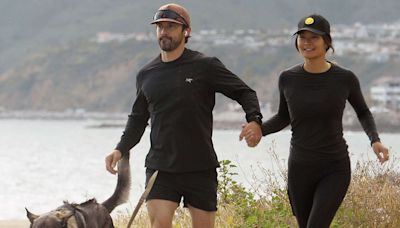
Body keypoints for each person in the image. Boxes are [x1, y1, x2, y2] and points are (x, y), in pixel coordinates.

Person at [105, 3, 262, 228]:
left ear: (185, 31)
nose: (164, 32)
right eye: (160, 27)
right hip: (161, 168)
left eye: (171, 26)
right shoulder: (146, 74)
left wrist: (254, 120)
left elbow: (244, 92)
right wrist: (119, 149)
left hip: (200, 166)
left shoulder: (205, 66)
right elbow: (138, 119)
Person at [240, 14, 389, 227]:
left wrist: (374, 140)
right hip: (300, 168)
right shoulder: (287, 78)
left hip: (334, 167)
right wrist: (259, 130)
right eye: (302, 37)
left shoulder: (345, 78)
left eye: (314, 37)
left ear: (327, 42)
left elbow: (363, 112)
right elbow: (284, 116)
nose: (307, 42)